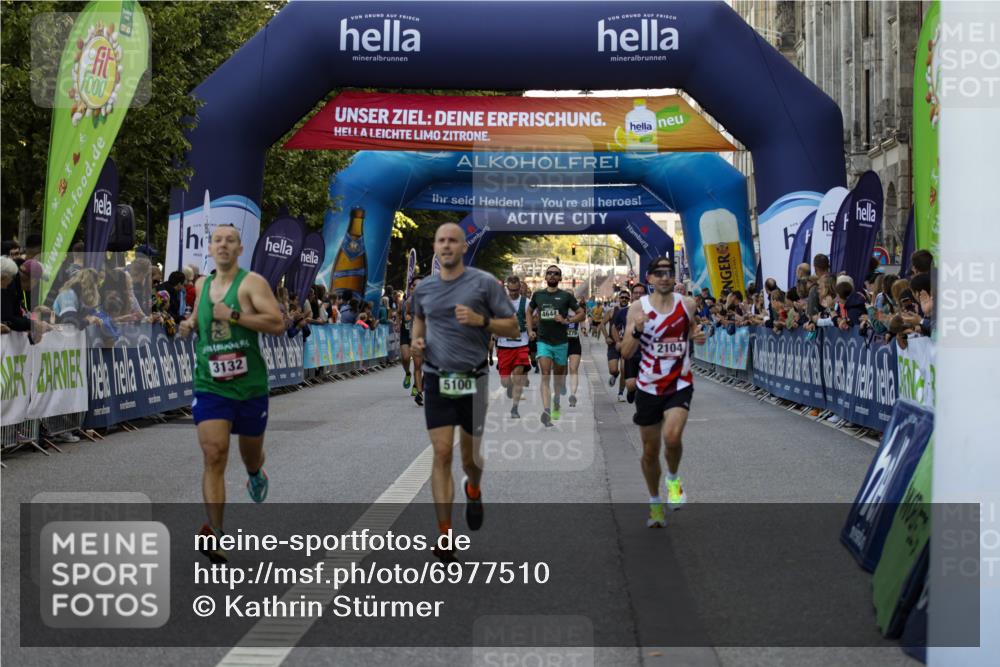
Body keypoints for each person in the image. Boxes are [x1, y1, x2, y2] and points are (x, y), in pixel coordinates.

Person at [410, 223, 518, 562]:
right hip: (437, 377)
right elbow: (419, 321)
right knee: (442, 454)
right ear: (435, 247)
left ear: (462, 247)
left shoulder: (483, 283)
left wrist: (481, 321)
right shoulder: (424, 289)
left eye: (452, 240)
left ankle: (474, 488)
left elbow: (512, 326)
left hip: (473, 378)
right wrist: (416, 340)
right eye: (440, 240)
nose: (446, 246)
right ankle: (444, 536)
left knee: (470, 459)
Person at [178, 224, 285, 563]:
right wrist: (189, 324)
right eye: (217, 240)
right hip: (211, 384)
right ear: (209, 249)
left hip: (249, 385)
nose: (223, 245)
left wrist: (236, 315)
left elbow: (277, 323)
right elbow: (199, 317)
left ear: (240, 249)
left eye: (230, 241)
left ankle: (255, 473)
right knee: (214, 453)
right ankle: (216, 532)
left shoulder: (252, 283)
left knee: (250, 456)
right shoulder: (202, 284)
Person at [619, 256, 706, 528]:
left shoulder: (688, 304)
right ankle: (655, 501)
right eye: (660, 273)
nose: (665, 277)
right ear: (650, 278)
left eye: (669, 273)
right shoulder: (637, 308)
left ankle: (673, 479)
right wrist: (637, 330)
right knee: (649, 450)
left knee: (672, 436)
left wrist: (697, 335)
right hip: (648, 385)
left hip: (679, 382)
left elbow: (691, 330)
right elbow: (625, 352)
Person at [528, 265, 584, 427]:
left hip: (561, 342)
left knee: (558, 377)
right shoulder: (538, 295)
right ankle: (546, 410)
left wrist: (567, 321)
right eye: (549, 273)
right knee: (545, 373)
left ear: (560, 278)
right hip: (543, 341)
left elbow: (581, 314)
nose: (552, 275)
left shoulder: (566, 296)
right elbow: (529, 311)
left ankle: (557, 399)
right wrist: (531, 329)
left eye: (556, 274)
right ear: (545, 277)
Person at [495, 275, 533, 418]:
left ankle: (515, 409)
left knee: (518, 377)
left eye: (516, 290)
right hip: (504, 345)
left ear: (520, 288)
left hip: (521, 345)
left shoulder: (527, 302)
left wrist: (530, 331)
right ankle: (509, 386)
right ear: (507, 288)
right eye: (511, 290)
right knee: (505, 382)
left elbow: (532, 319)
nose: (513, 293)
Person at [613, 282, 648, 403]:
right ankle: (632, 390)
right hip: (631, 353)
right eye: (636, 293)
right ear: (632, 296)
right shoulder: (623, 312)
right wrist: (617, 341)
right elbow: (614, 327)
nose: (638, 295)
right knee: (631, 384)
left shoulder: (653, 312)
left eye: (641, 293)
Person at [401, 277, 425, 405]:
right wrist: (408, 317)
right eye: (415, 285)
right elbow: (406, 316)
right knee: (417, 366)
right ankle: (419, 393)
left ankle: (423, 383)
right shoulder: (409, 301)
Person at [604, 290, 631, 399]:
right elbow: (602, 324)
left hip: (626, 345)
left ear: (629, 299)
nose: (624, 299)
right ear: (618, 299)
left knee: (624, 369)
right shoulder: (612, 311)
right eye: (622, 297)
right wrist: (607, 337)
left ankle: (620, 393)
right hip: (613, 345)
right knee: (613, 370)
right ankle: (615, 375)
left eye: (626, 298)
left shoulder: (631, 311)